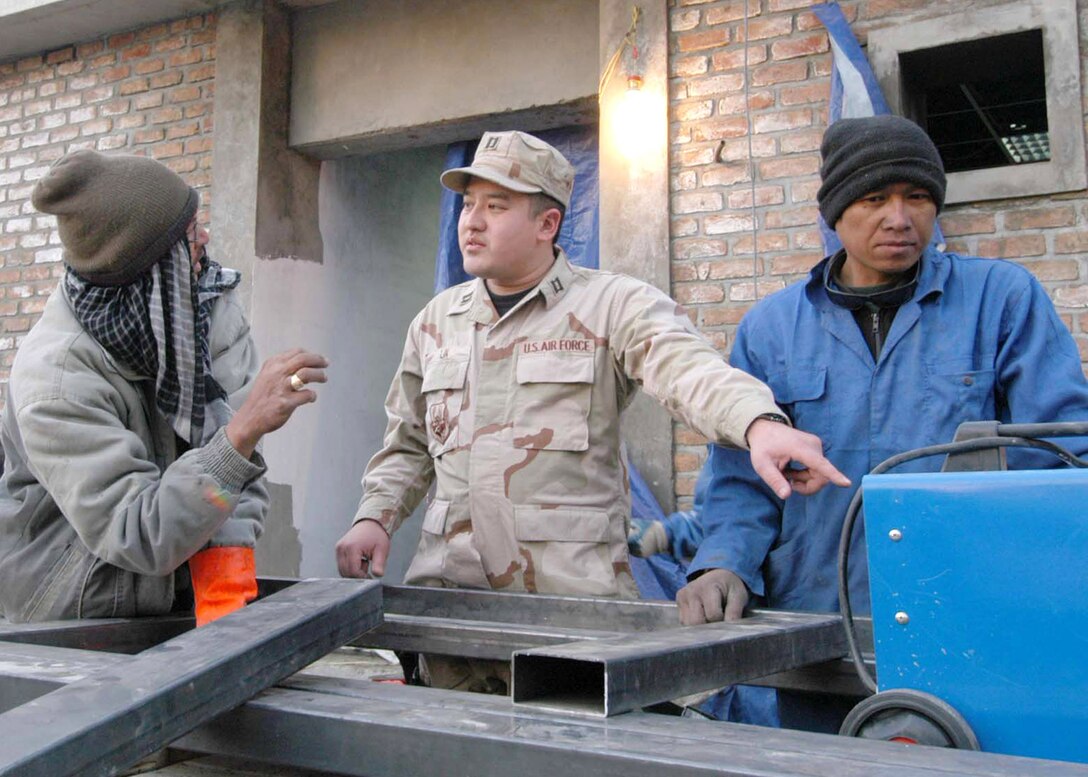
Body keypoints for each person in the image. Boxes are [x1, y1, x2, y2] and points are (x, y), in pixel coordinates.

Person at [335, 130, 848, 693]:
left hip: (573, 619)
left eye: (496, 206)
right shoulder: (437, 322)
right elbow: (409, 442)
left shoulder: (611, 306)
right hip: (451, 613)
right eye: (468, 204)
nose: (471, 222)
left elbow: (687, 369)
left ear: (547, 224)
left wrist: (758, 424)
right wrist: (374, 517)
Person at [675, 114, 1088, 730]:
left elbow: (1062, 447)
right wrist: (723, 561)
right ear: (835, 211)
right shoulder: (771, 328)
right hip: (812, 624)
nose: (900, 217)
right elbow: (741, 477)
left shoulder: (1001, 299)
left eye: (917, 197)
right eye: (874, 199)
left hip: (966, 617)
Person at [0, 149, 327, 626]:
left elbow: (237, 478)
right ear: (149, 264)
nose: (205, 239)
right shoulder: (57, 381)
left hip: (175, 594)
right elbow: (138, 532)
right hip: (73, 613)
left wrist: (224, 592)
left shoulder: (205, 314)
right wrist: (240, 434)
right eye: (188, 233)